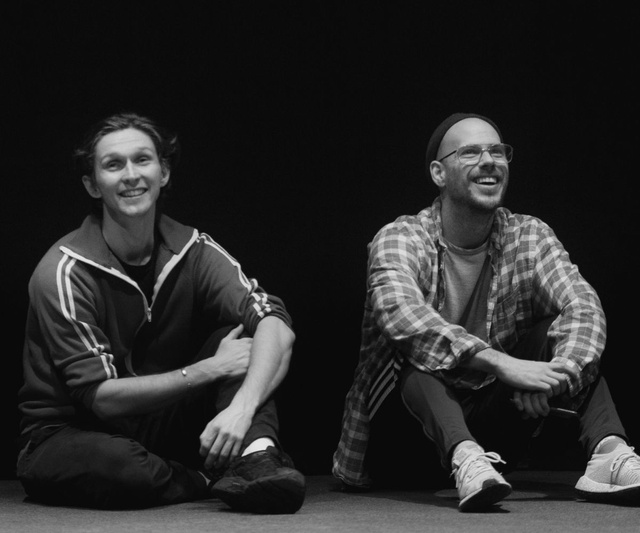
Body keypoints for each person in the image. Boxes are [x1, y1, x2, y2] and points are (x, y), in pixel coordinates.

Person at [333, 112, 640, 511]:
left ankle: (608, 454)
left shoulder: (529, 235)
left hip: (492, 443)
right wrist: (502, 364)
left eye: (497, 151)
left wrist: (554, 378)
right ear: (438, 173)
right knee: (408, 349)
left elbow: (583, 306)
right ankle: (463, 455)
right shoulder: (401, 237)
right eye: (471, 152)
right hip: (404, 444)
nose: (489, 160)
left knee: (559, 334)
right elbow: (402, 315)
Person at [16, 112, 305, 513]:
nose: (131, 175)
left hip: (158, 419)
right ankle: (206, 478)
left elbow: (275, 323)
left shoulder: (192, 247)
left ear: (163, 173)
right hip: (71, 431)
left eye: (143, 160)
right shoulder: (63, 271)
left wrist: (242, 409)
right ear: (92, 185)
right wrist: (209, 369)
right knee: (121, 467)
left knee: (252, 342)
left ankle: (257, 457)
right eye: (113, 165)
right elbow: (101, 399)